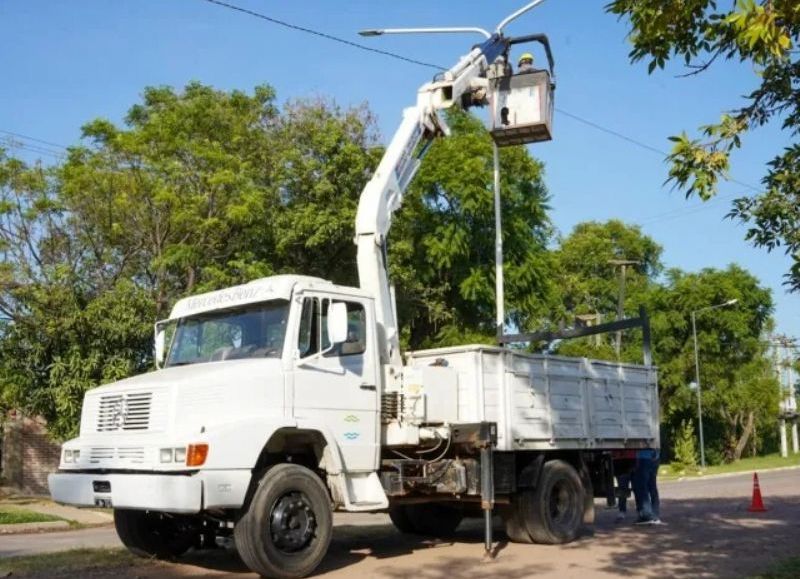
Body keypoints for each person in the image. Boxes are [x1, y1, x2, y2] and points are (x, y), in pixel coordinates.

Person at [632, 448, 662, 525]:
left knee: (641, 486)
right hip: (655, 455)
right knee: (652, 486)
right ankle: (655, 515)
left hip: (643, 456)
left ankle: (646, 514)